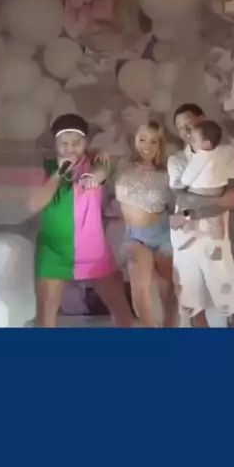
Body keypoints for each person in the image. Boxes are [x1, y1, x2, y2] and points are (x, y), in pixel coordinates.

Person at [27, 113, 134, 328]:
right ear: (55, 144)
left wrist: (91, 177)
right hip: (53, 251)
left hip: (92, 249)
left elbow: (101, 172)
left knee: (120, 309)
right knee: (46, 315)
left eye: (76, 143)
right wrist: (59, 174)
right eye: (64, 144)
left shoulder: (96, 161)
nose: (70, 149)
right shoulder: (45, 167)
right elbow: (33, 205)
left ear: (85, 143)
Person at [168, 104, 234, 328]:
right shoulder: (176, 160)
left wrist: (192, 212)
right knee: (192, 299)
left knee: (225, 298)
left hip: (215, 236)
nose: (185, 131)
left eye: (189, 124)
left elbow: (232, 197)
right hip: (186, 238)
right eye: (180, 127)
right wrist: (216, 202)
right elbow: (182, 198)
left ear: (202, 120)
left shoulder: (225, 153)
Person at [114, 121, 176, 327]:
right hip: (135, 236)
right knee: (140, 290)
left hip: (162, 233)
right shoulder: (122, 166)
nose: (147, 146)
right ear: (135, 140)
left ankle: (170, 330)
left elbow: (176, 205)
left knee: (169, 290)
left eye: (153, 141)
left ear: (160, 145)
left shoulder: (166, 173)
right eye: (142, 139)